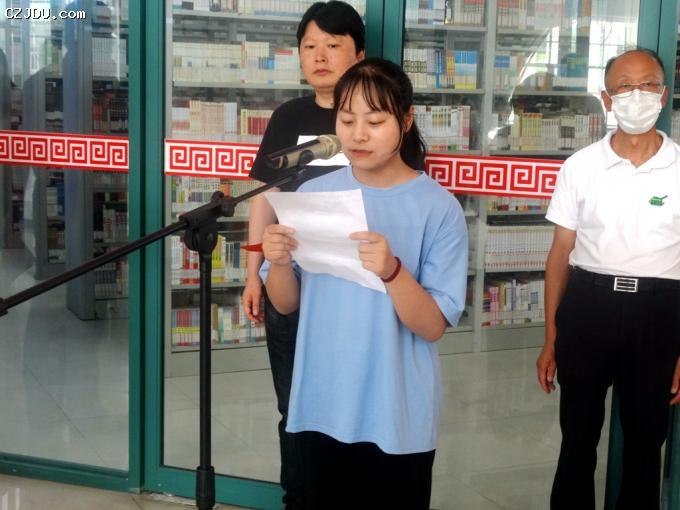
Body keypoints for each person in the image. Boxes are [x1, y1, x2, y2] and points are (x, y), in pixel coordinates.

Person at [261, 58, 468, 509]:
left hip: (395, 411)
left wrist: (393, 271)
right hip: (321, 402)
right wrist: (277, 263)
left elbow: (433, 326)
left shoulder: (439, 208)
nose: (358, 135)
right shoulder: (314, 195)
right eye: (347, 119)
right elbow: (286, 303)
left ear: (406, 121)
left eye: (375, 122)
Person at [535, 48, 680, 510]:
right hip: (588, 306)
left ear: (664, 93)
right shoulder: (581, 166)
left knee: (645, 444)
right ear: (606, 98)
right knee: (577, 439)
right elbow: (560, 254)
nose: (637, 95)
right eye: (624, 87)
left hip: (658, 314)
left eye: (648, 84)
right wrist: (551, 337)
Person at [241, 3, 365, 508]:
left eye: (333, 45)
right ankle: (299, 498)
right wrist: (253, 272)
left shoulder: (374, 116)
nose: (320, 56)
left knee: (349, 402)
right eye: (310, 46)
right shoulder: (289, 117)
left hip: (354, 283)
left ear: (359, 54)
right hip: (288, 277)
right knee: (292, 404)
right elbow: (263, 195)